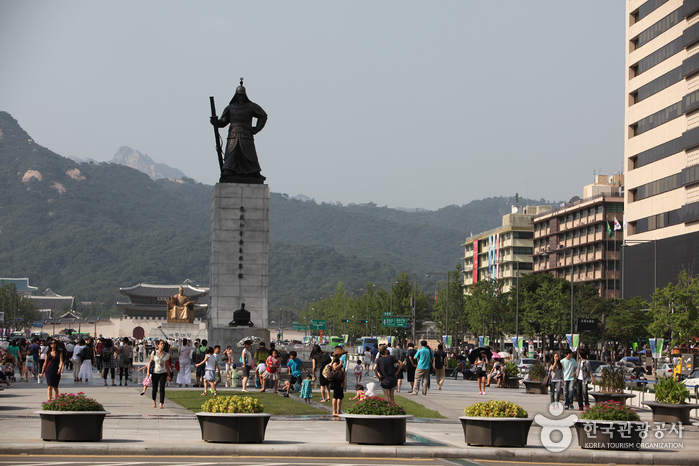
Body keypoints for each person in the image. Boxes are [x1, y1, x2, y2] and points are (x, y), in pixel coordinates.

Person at [210, 80, 268, 181]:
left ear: (245, 95)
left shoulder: (250, 106)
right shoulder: (230, 108)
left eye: (242, 95)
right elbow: (223, 122)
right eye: (238, 95)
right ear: (235, 95)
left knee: (250, 154)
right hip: (233, 134)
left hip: (246, 134)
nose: (240, 97)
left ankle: (254, 172)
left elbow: (263, 115)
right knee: (231, 153)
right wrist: (215, 122)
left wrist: (257, 128)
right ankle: (228, 170)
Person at [148, 340, 172, 408]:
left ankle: (161, 403)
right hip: (155, 372)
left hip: (163, 373)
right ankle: (154, 401)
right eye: (161, 344)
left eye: (163, 344)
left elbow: (167, 365)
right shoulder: (154, 353)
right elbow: (150, 362)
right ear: (158, 345)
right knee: (154, 388)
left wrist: (169, 374)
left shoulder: (166, 354)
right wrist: (148, 372)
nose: (162, 345)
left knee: (162, 388)